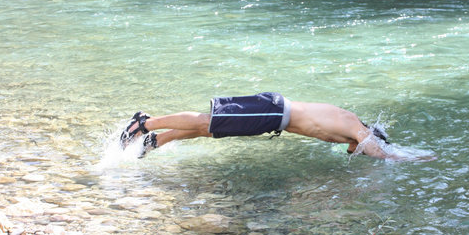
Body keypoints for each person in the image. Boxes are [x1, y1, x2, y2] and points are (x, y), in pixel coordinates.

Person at [119, 92, 402, 160]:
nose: (357, 152)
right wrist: (403, 157)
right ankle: (143, 123)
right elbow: (377, 151)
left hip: (274, 118)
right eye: (360, 150)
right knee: (211, 121)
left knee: (212, 130)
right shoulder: (354, 125)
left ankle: (155, 141)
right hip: (275, 111)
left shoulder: (345, 135)